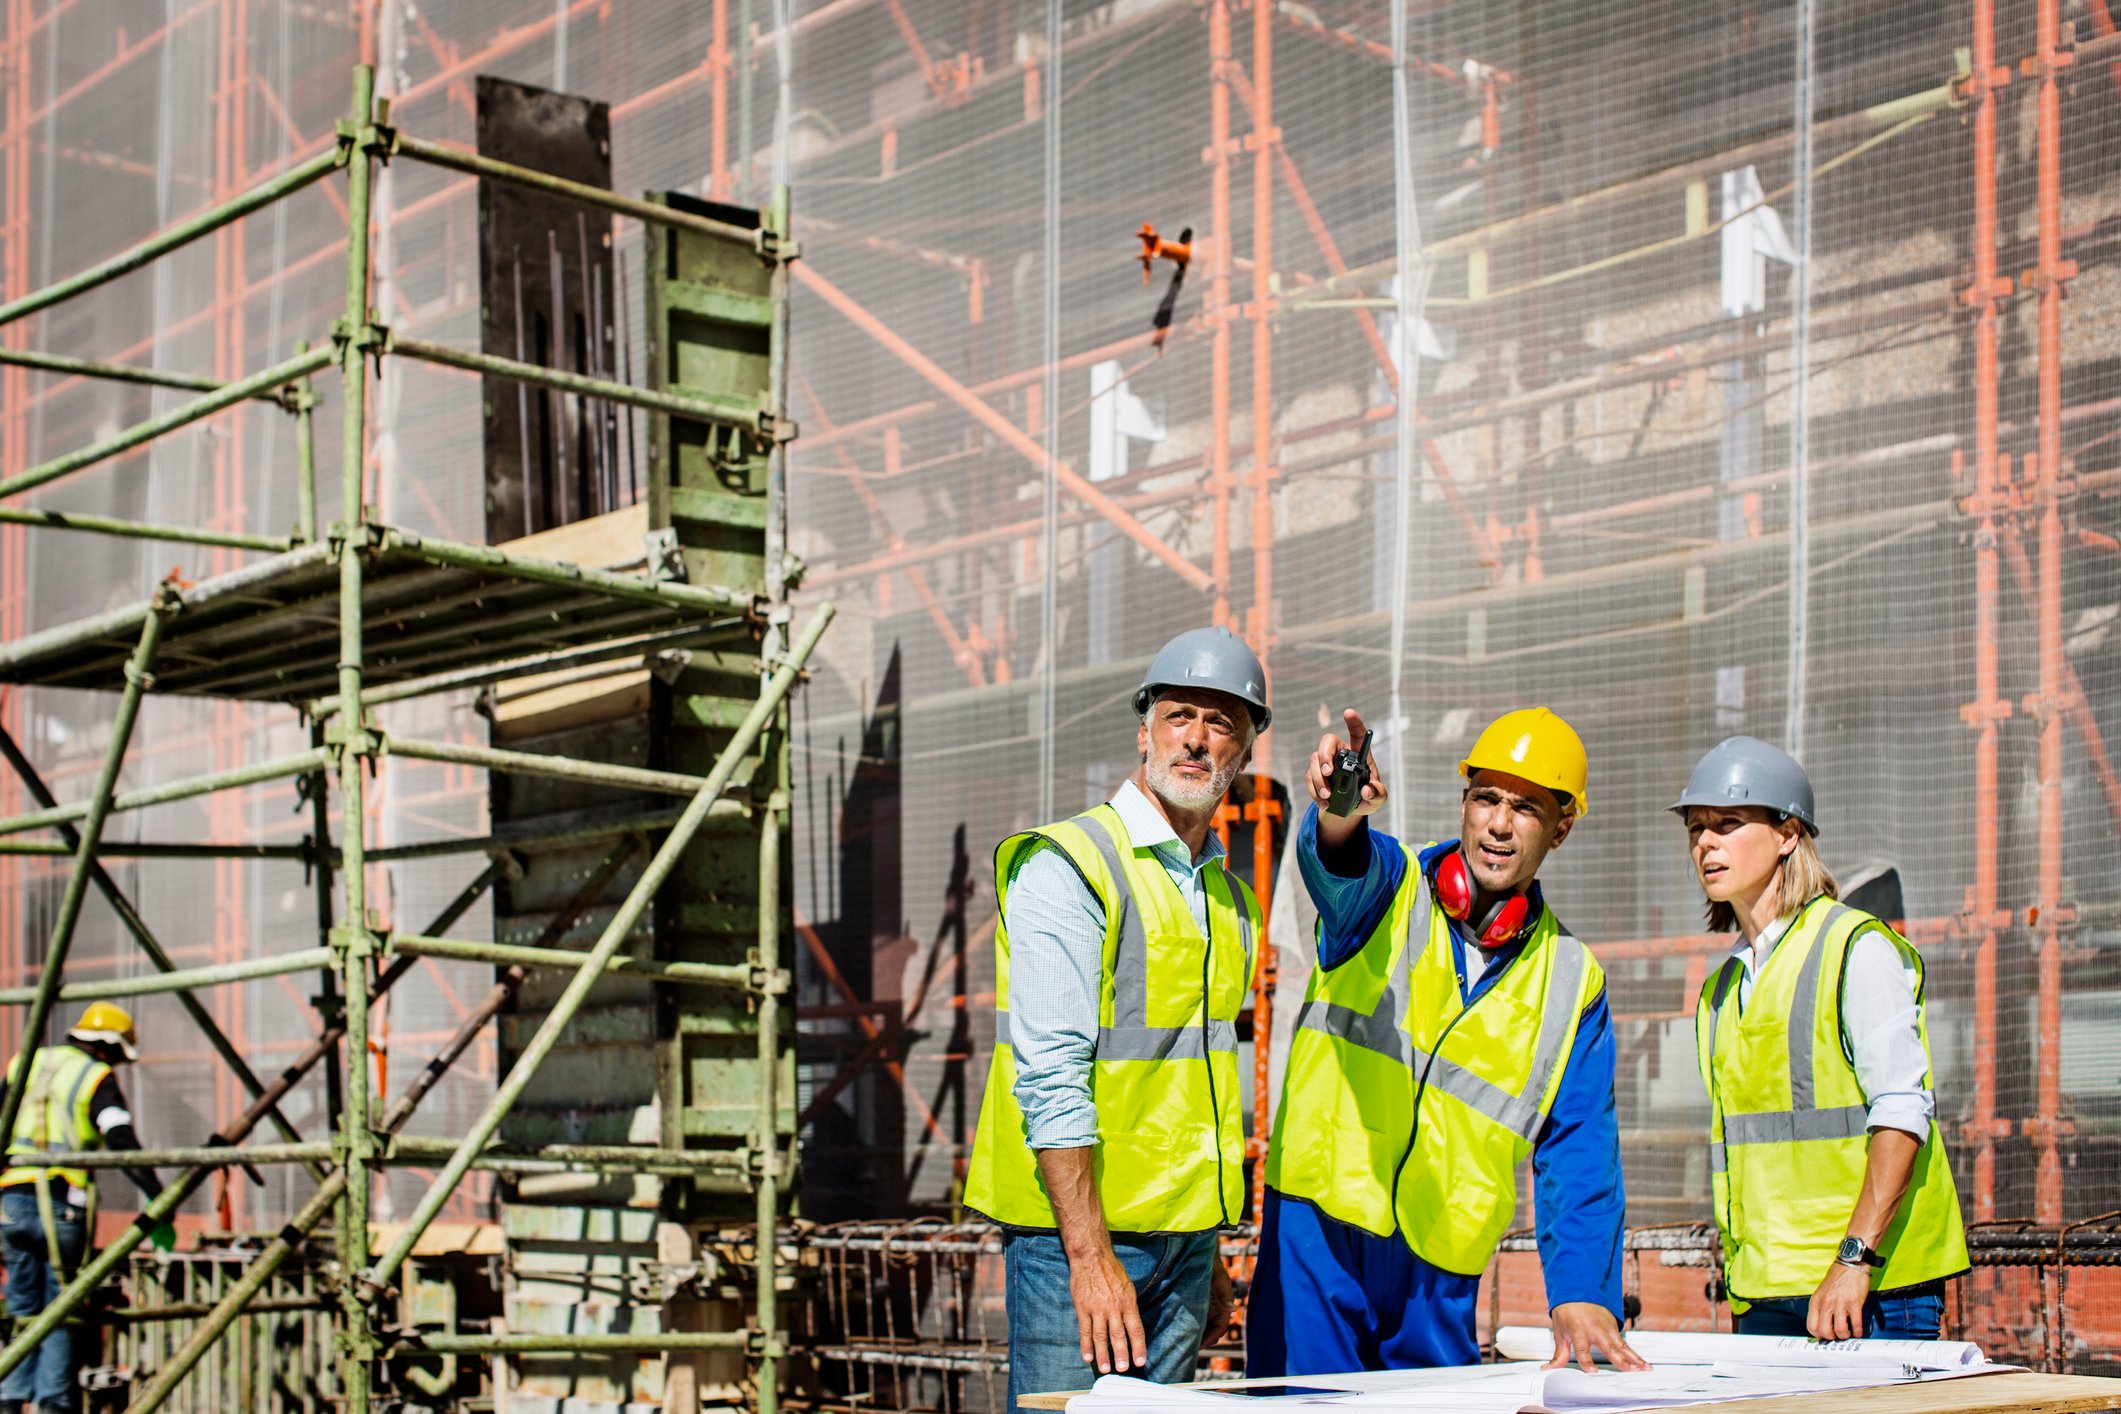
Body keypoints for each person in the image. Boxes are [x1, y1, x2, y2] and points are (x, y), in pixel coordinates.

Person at [1253, 708, 1643, 1376]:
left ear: (1562, 828)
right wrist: (1341, 809)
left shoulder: (1572, 980)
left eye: (1524, 808)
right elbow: (1339, 863)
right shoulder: (1391, 889)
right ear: (1463, 804)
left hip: (1438, 1267)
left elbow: (1579, 1147)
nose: (1497, 823)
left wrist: (1583, 1293)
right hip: (1317, 1233)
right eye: (1485, 798)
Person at [964, 626, 1269, 1411]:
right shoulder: (1068, 864)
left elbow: (1193, 1081)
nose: (1196, 740)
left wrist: (1201, 1254)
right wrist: (1090, 1256)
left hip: (1183, 1246)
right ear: (1144, 731)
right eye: (1179, 716)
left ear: (1244, 750)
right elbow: (1052, 1074)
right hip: (1082, 1244)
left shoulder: (1230, 900)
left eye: (1222, 722)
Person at [1675, 737, 1968, 1341]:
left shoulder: (1855, 949)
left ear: (1788, 834)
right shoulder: (1721, 990)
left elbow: (1902, 1113)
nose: (1706, 843)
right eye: (1697, 828)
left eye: (1728, 824)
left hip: (1870, 1289)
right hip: (1766, 1292)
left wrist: (1853, 1259)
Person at [1, 1003, 172, 1414]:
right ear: (107, 1047)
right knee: (61, 1309)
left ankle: (8, 1399)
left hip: (11, 1202)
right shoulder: (94, 1076)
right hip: (62, 1204)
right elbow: (118, 1136)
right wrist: (155, 1192)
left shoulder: (25, 1061)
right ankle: (54, 1405)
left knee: (22, 1306)